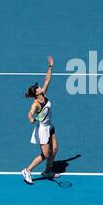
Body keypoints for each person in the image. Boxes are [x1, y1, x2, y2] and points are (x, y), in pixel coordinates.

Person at [21, 56, 59, 184]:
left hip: (50, 126)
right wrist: (31, 118)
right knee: (46, 154)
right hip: (42, 129)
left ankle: (48, 172)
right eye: (37, 88)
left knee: (54, 150)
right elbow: (30, 113)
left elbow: (47, 80)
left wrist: (50, 67)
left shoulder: (44, 94)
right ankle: (27, 170)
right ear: (36, 93)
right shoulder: (36, 104)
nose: (39, 87)